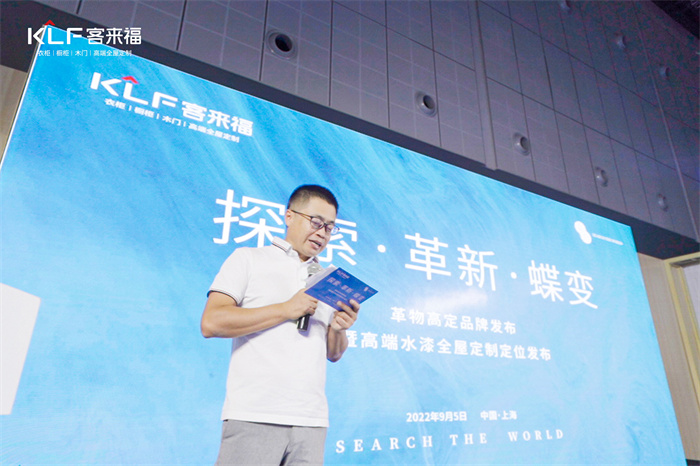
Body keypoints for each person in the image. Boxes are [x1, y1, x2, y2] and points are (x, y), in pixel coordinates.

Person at [201, 184, 360, 465]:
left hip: (311, 421)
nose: (322, 233)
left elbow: (334, 354)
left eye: (330, 227)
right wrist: (286, 309)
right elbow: (212, 322)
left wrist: (339, 329)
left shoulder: (327, 279)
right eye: (316, 222)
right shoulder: (249, 258)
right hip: (255, 414)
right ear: (289, 216)